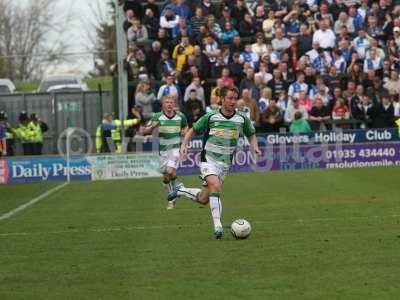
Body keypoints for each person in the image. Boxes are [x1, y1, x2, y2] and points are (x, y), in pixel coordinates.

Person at [168, 86, 261, 239]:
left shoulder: (241, 118)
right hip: (208, 159)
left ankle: (181, 190)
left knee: (204, 199)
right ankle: (218, 226)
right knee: (215, 186)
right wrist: (184, 145)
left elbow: (251, 133)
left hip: (225, 164)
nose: (232, 101)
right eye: (229, 98)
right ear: (222, 99)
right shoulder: (211, 117)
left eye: (234, 98)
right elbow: (192, 130)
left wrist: (255, 147)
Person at [141, 95, 188, 210]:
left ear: (174, 104)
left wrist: (184, 134)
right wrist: (152, 127)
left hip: (175, 149)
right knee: (166, 177)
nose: (169, 104)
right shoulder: (157, 116)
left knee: (169, 171)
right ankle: (177, 189)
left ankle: (171, 200)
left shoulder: (180, 116)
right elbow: (144, 132)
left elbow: (186, 127)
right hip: (162, 151)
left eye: (171, 102)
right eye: (167, 102)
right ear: (163, 104)